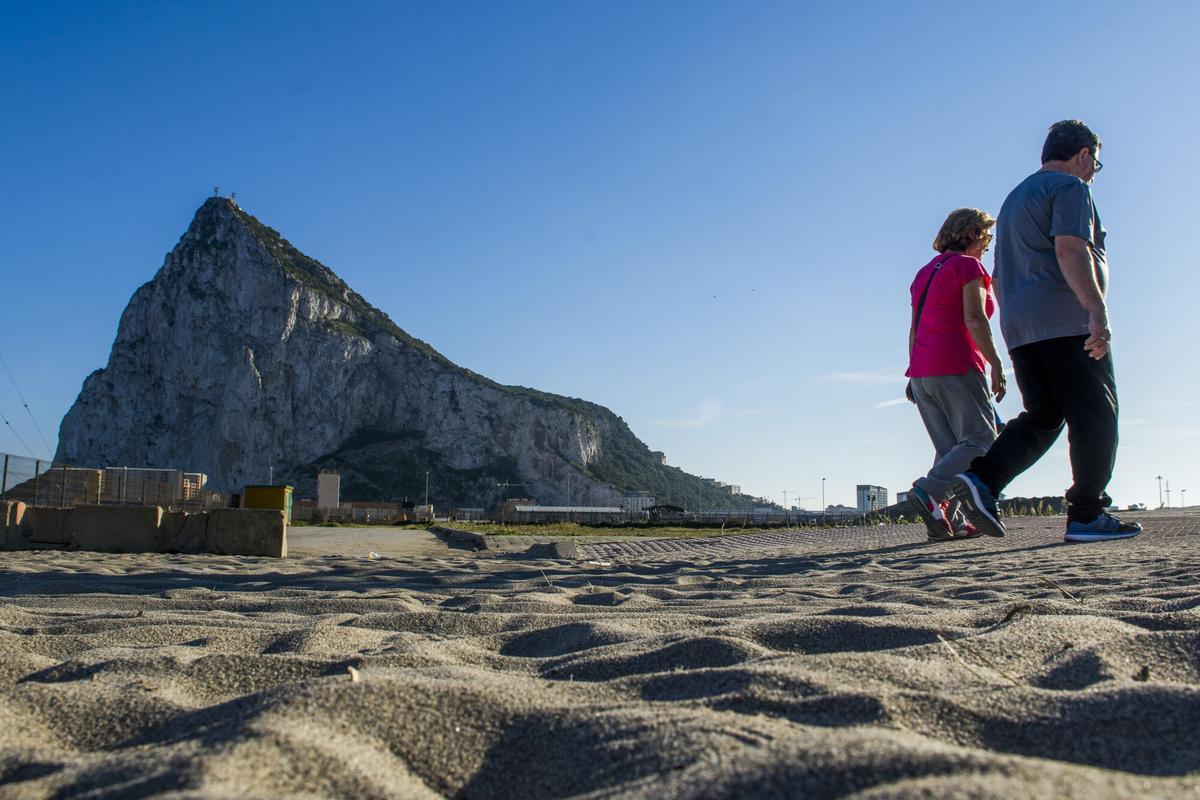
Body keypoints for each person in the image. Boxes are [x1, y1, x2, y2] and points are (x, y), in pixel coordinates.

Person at [951, 120, 1142, 543]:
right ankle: (1087, 514)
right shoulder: (1070, 187)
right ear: (1083, 155)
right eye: (1095, 163)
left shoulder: (1015, 198)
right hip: (1065, 320)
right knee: (1096, 413)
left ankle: (982, 480)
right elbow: (1070, 249)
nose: (1094, 173)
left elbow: (1002, 272)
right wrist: (1096, 310)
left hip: (1021, 325)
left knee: (1044, 414)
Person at [904, 208, 1006, 541]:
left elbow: (914, 327)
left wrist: (913, 372)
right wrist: (996, 363)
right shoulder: (968, 266)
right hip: (956, 364)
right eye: (986, 237)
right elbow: (975, 319)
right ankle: (929, 490)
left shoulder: (924, 273)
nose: (987, 245)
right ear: (974, 234)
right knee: (982, 439)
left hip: (923, 371)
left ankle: (952, 520)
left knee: (951, 450)